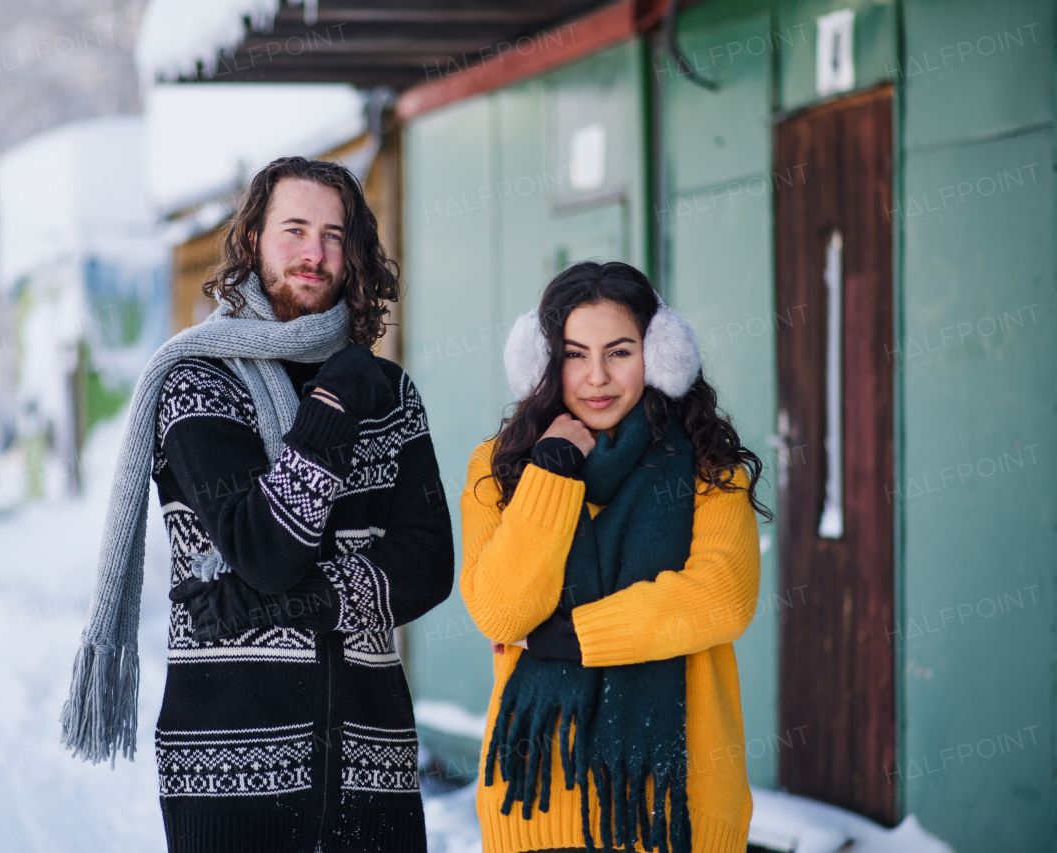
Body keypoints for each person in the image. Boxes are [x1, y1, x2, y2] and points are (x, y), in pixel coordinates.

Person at [61, 157, 454, 853]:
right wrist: (330, 406)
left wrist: (288, 606)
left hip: (374, 763)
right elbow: (267, 549)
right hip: (230, 769)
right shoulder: (198, 383)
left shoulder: (388, 392)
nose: (315, 252)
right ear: (252, 242)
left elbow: (429, 564)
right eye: (295, 229)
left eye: (335, 235)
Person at [459, 261, 770, 853]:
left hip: (676, 812)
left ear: (659, 354)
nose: (596, 377)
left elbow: (721, 596)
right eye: (575, 354)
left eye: (619, 351)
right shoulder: (500, 468)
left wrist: (567, 638)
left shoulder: (708, 465)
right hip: (536, 802)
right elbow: (501, 611)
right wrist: (550, 472)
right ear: (546, 362)